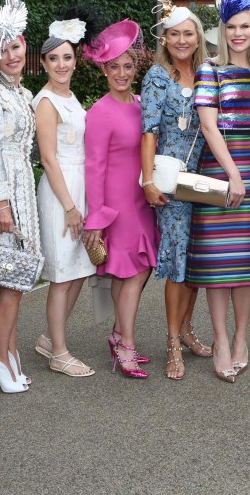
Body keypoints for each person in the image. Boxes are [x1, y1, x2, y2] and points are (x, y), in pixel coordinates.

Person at [186, 0, 250, 383]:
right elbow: (209, 127)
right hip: (222, 173)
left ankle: (241, 339)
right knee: (218, 265)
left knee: (247, 264)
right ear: (222, 31)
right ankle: (220, 339)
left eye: (245, 26)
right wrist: (234, 175)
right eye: (231, 27)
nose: (238, 33)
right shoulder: (210, 70)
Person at [82, 19, 158, 380]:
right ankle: (125, 343)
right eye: (115, 67)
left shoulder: (142, 103)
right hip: (118, 206)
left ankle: (118, 335)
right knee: (134, 271)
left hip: (142, 200)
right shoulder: (99, 112)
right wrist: (95, 219)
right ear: (104, 69)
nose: (122, 73)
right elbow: (93, 168)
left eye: (128, 66)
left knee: (133, 274)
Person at [141, 0, 211, 380]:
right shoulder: (156, 77)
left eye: (188, 33)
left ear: (198, 36)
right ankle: (171, 341)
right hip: (169, 182)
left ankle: (186, 329)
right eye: (174, 34)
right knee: (176, 260)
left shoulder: (205, 72)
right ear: (164, 39)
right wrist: (148, 180)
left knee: (195, 260)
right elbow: (148, 131)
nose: (182, 40)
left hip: (202, 178)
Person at [0, 0, 42, 393]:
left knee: (18, 280)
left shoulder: (23, 93)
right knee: (9, 280)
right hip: (5, 193)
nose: (12, 56)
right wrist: (1, 202)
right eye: (3, 51)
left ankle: (11, 354)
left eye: (15, 47)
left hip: (24, 190)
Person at [31, 10, 95, 377]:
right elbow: (48, 159)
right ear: (43, 62)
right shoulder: (46, 102)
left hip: (79, 186)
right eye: (53, 58)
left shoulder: (71, 98)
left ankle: (48, 339)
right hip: (61, 193)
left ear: (75, 59)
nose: (61, 64)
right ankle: (58, 351)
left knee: (79, 270)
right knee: (62, 274)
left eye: (67, 57)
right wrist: (70, 207)